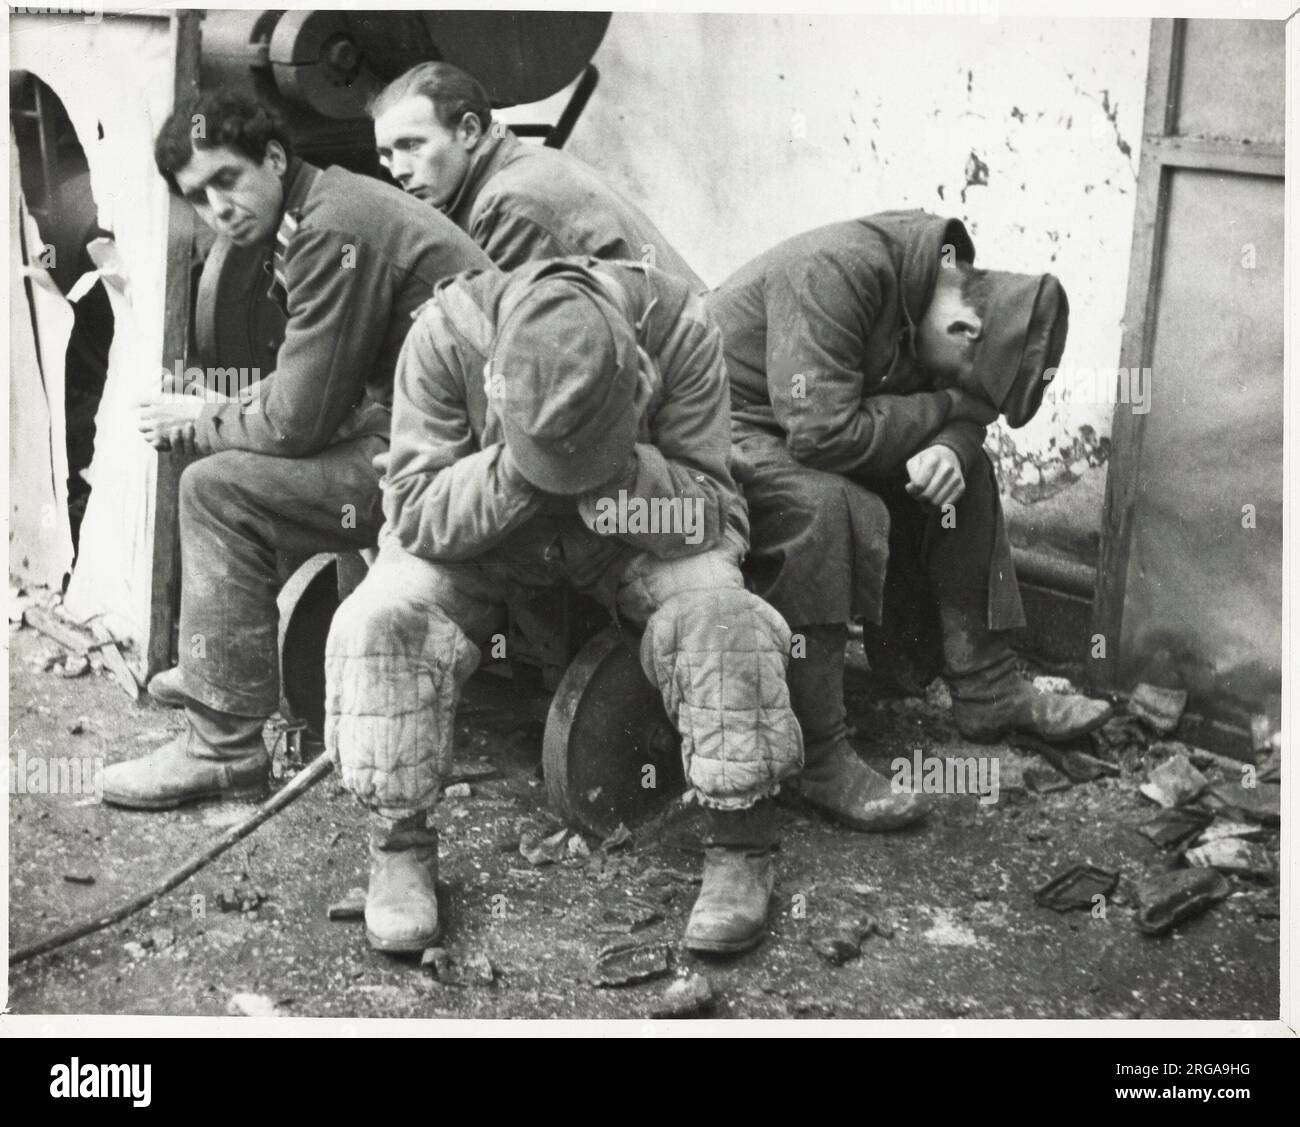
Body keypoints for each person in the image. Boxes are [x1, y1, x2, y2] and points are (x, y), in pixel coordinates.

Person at [325, 257, 802, 954]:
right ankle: (399, 846)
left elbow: (708, 510)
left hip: (630, 530)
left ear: (636, 376)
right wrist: (519, 470)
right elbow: (416, 513)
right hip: (487, 533)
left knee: (721, 615)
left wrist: (612, 476)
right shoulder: (444, 335)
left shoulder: (678, 327)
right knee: (383, 616)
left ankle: (743, 843)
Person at [102, 89, 493, 810]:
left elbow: (295, 424)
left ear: (275, 159)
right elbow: (315, 393)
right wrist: (232, 409)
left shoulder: (333, 227)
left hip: (463, 470)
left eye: (227, 179)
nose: (218, 208)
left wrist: (203, 414)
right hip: (436, 437)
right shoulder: (325, 210)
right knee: (244, 464)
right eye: (199, 196)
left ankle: (222, 749)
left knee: (216, 488)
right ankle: (224, 665)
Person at [706, 210, 1113, 832]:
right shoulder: (835, 273)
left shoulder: (935, 290)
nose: (954, 386)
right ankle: (815, 756)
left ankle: (989, 688)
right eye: (957, 372)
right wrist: (948, 404)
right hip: (729, 426)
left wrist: (951, 442)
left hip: (815, 425)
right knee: (827, 506)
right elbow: (822, 435)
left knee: (964, 474)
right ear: (964, 327)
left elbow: (967, 407)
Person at [370, 62, 704, 287]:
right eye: (386, 155)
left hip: (687, 381)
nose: (398, 170)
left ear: (469, 131)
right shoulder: (517, 167)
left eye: (412, 145)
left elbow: (515, 345)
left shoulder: (509, 203)